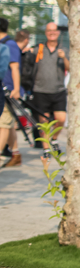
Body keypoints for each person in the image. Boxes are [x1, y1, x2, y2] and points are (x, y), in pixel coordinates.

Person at [30, 22, 69, 156]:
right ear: (46, 32)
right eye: (49, 30)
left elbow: (70, 69)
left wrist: (64, 58)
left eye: (54, 30)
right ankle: (46, 148)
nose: (52, 33)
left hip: (58, 90)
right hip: (40, 89)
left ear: (58, 32)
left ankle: (54, 139)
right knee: (44, 121)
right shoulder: (39, 48)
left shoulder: (64, 49)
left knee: (61, 119)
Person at [0, 17, 21, 168]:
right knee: (8, 124)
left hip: (7, 89)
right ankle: (16, 153)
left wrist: (16, 88)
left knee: (4, 125)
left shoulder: (9, 44)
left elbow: (15, 68)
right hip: (4, 88)